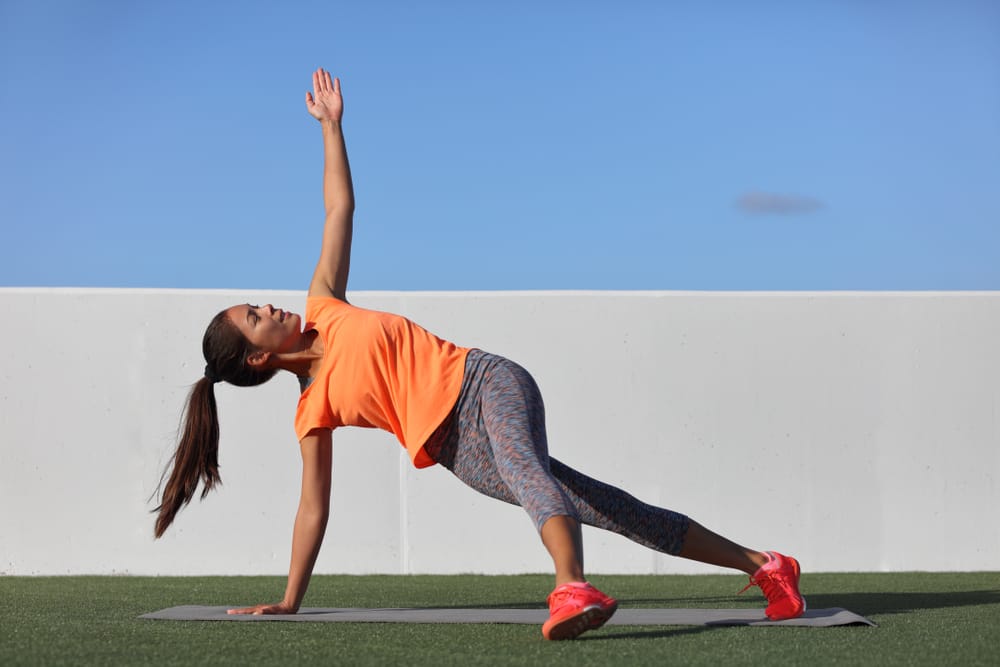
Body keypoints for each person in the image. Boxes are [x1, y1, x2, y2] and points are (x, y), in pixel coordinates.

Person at [153, 68, 805, 641]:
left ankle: (572, 587)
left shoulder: (324, 301)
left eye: (258, 303)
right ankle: (766, 566)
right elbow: (312, 507)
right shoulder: (311, 410)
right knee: (600, 505)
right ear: (259, 359)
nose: (268, 308)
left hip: (483, 379)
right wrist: (290, 600)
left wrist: (330, 128)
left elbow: (338, 205)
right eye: (255, 318)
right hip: (456, 449)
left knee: (529, 475)